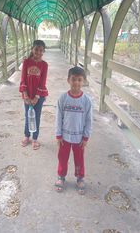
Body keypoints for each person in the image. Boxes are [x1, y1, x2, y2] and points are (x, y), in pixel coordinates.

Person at [55, 66, 92, 194]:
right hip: (65, 137)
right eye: (73, 79)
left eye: (80, 80)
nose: (76, 82)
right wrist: (58, 135)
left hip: (79, 138)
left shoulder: (86, 101)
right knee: (62, 157)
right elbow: (59, 117)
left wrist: (86, 137)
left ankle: (80, 177)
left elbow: (88, 120)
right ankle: (61, 176)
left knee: (79, 158)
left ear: (84, 81)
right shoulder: (63, 98)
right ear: (68, 80)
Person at [19, 40, 48, 150]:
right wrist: (25, 94)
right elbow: (23, 80)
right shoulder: (26, 62)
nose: (38, 52)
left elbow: (42, 82)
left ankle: (35, 138)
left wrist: (37, 96)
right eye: (36, 49)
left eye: (41, 50)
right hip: (27, 94)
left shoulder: (44, 65)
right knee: (28, 115)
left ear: (43, 51)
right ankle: (27, 136)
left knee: (36, 116)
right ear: (32, 49)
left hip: (39, 96)